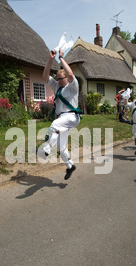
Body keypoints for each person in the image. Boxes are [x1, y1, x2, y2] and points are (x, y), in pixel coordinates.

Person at [42, 49, 81, 180]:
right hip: (62, 118)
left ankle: (46, 148)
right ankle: (70, 166)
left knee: (54, 125)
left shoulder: (73, 86)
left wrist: (61, 58)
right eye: (57, 79)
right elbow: (45, 77)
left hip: (71, 116)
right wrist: (50, 60)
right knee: (60, 147)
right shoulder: (57, 86)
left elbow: (70, 74)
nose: (58, 81)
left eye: (61, 78)